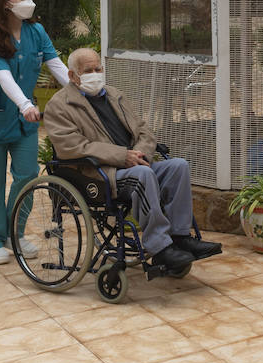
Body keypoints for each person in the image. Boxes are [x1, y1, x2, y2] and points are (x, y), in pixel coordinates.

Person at [43, 48, 221, 275]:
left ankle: (180, 237)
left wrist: (138, 155)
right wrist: (121, 157)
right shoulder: (59, 106)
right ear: (72, 75)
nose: (95, 74)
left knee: (178, 166)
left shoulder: (115, 95)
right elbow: (73, 147)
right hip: (100, 174)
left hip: (133, 165)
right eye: (88, 70)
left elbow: (144, 131)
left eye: (98, 69)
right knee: (144, 176)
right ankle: (159, 246)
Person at [0, 0, 71, 264]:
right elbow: (2, 75)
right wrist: (24, 103)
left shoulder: (36, 31)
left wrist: (81, 92)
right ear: (5, 2)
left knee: (26, 176)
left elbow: (55, 63)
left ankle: (14, 233)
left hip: (25, 122)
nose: (29, 2)